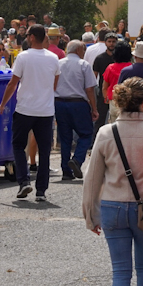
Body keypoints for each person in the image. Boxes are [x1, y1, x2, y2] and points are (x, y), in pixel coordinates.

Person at [83, 77, 143, 286]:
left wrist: (91, 214)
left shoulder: (106, 133)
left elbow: (93, 178)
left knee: (121, 271)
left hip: (112, 206)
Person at [0, 24, 60, 202]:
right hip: (46, 110)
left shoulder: (23, 57)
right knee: (45, 150)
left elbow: (13, 83)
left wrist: (2, 104)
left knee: (18, 145)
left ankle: (24, 181)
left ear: (32, 37)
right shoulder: (54, 58)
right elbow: (54, 84)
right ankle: (41, 190)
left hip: (25, 108)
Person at [55, 40, 99, 181]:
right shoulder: (84, 65)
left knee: (65, 137)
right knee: (86, 134)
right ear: (79, 50)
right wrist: (94, 108)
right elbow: (90, 88)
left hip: (60, 103)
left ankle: (66, 171)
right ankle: (77, 159)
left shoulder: (58, 63)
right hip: (78, 103)